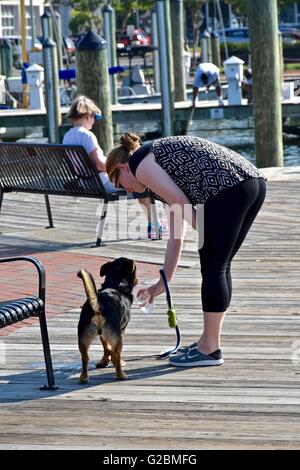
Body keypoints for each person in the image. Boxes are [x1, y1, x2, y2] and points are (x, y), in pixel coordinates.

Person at [106, 133, 266, 368]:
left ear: (123, 167)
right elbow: (176, 235)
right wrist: (164, 281)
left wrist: (205, 232)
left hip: (229, 188)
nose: (129, 192)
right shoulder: (156, 172)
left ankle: (210, 349)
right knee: (219, 266)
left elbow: (181, 201)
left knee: (213, 267)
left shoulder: (139, 163)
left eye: (121, 185)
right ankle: (208, 341)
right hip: (252, 183)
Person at [63, 96, 168, 238]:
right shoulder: (86, 136)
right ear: (88, 115)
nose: (94, 121)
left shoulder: (67, 136)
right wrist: (117, 163)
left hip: (84, 182)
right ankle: (154, 225)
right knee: (140, 183)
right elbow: (100, 164)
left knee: (135, 180)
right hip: (100, 183)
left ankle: (154, 224)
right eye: (95, 117)